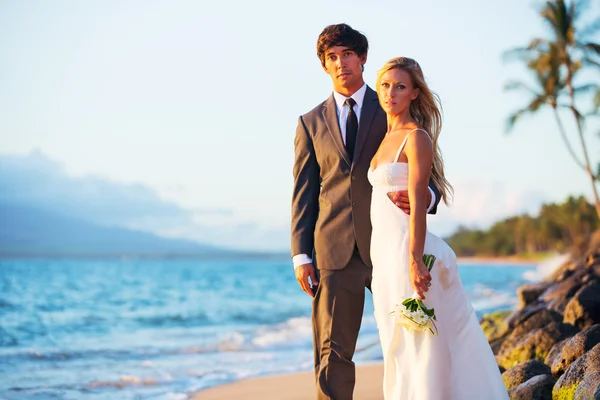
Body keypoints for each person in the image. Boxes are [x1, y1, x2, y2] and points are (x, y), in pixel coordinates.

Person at [291, 24, 441, 400]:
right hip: (335, 250)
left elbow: (421, 164)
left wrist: (429, 197)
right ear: (325, 66)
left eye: (347, 54)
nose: (340, 63)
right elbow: (304, 194)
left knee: (411, 335)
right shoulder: (309, 123)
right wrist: (301, 254)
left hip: (391, 244)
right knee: (333, 351)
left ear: (362, 58)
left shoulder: (390, 102)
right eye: (332, 58)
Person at [369, 56, 508, 399]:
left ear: (415, 93)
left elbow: (418, 205)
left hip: (407, 250)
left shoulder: (415, 138)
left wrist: (415, 260)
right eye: (385, 86)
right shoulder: (381, 136)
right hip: (382, 257)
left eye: (400, 86)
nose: (391, 93)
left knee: (420, 343)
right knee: (395, 342)